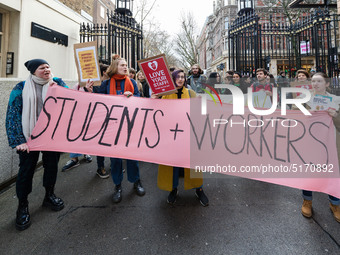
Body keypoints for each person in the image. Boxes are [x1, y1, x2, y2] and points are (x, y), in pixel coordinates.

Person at [6, 59, 68, 230]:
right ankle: (23, 206)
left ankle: (49, 195)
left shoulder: (58, 83)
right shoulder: (20, 88)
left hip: (51, 136)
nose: (47, 69)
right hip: (29, 138)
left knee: (51, 166)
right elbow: (13, 114)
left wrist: (87, 89)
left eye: (48, 66)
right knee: (26, 171)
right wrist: (19, 140)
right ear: (33, 71)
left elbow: (75, 100)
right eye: (42, 68)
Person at [92, 54, 145, 203]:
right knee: (115, 159)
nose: (125, 67)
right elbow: (98, 101)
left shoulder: (133, 82)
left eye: (126, 64)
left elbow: (139, 100)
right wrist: (89, 91)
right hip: (112, 126)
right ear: (115, 67)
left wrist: (132, 97)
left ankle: (136, 182)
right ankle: (118, 186)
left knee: (132, 157)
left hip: (129, 124)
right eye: (122, 65)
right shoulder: (107, 84)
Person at [152, 69, 209, 207]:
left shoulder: (191, 93)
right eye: (178, 77)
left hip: (188, 134)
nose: (181, 79)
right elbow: (156, 113)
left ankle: (199, 189)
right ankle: (173, 189)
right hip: (170, 136)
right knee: (173, 164)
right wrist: (154, 101)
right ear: (173, 78)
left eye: (183, 77)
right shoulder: (165, 95)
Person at [295, 72, 340, 222]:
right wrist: (305, 114)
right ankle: (307, 200)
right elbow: (292, 117)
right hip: (310, 142)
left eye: (319, 81)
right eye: (313, 81)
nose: (315, 84)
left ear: (327, 84)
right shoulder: (303, 99)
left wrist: (336, 116)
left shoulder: (336, 101)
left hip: (330, 142)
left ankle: (335, 203)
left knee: (332, 173)